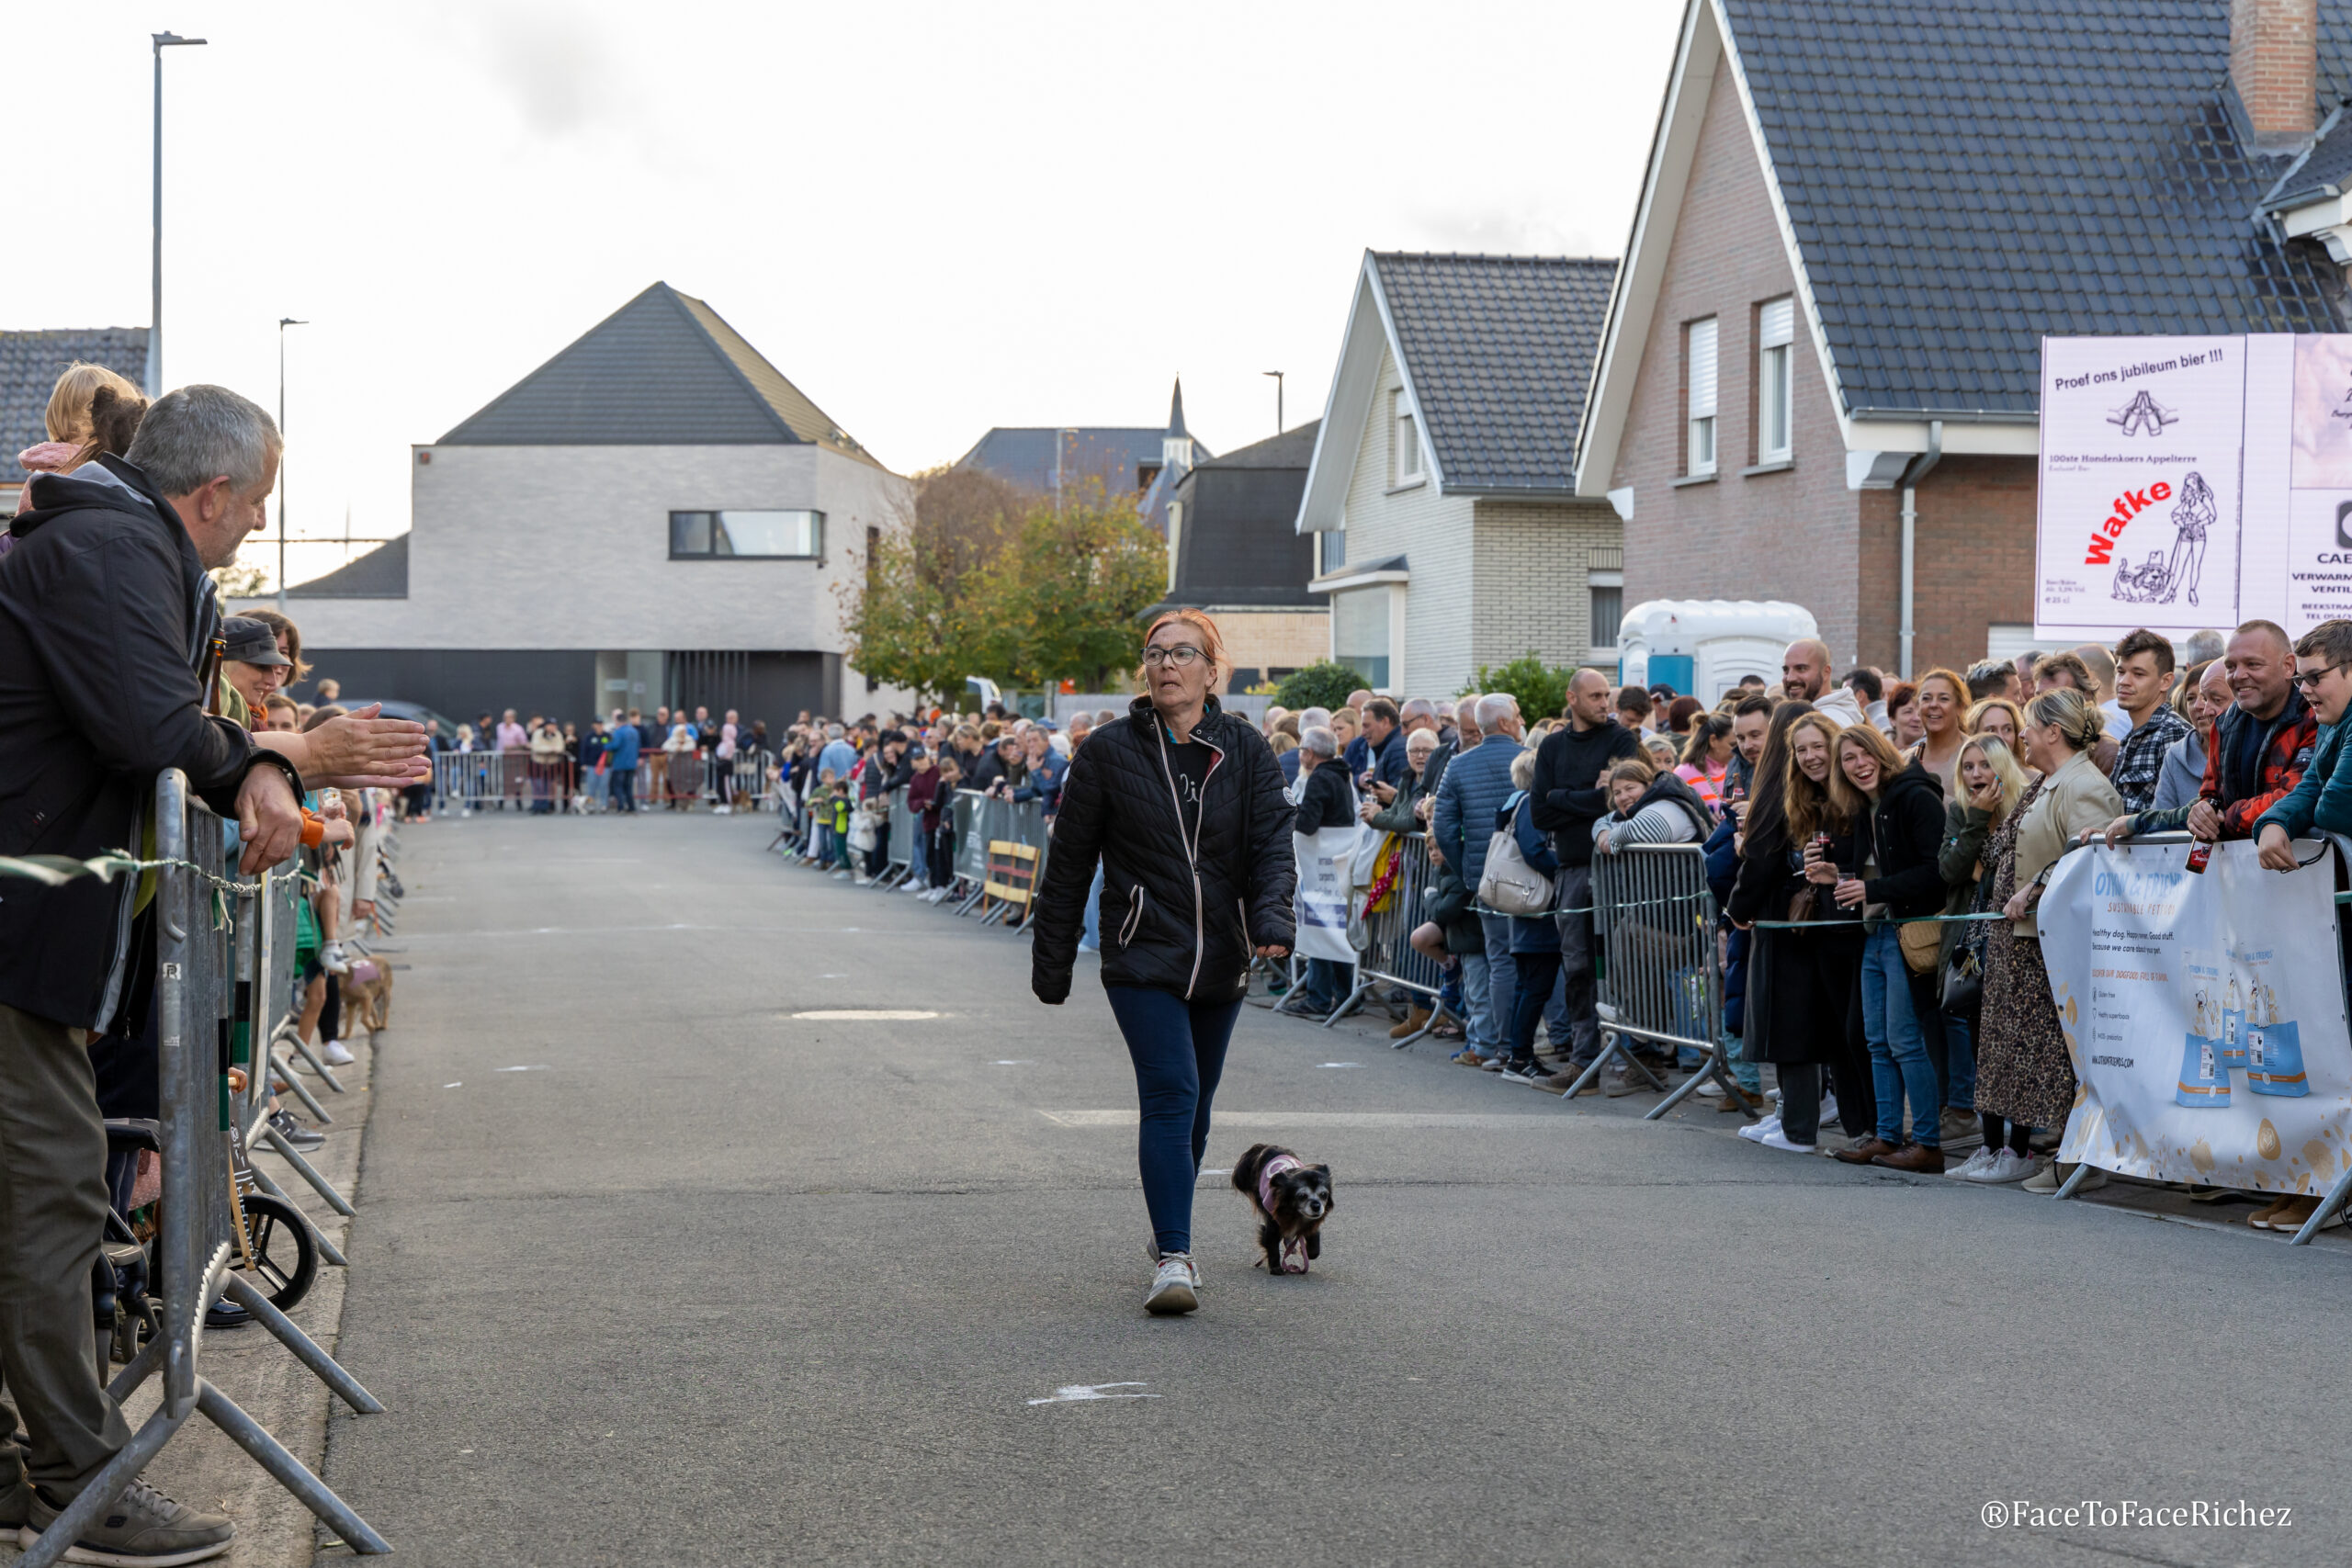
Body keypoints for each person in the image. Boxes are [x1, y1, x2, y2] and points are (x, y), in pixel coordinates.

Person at [0, 383, 333, 1562]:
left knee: (40, 1189)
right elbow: (150, 726)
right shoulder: (107, 548)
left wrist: (247, 760)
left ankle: (22, 1461)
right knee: (46, 1195)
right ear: (210, 495)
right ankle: (77, 1478)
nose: (253, 534)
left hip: (28, 916)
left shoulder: (99, 536)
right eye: (255, 510)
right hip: (16, 919)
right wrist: (270, 755)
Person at [1028, 609, 1294, 1316]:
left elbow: (1272, 844)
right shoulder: (1108, 751)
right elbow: (1070, 863)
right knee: (1172, 1091)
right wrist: (1052, 961)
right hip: (1142, 952)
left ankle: (1165, 1226)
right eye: (1154, 653)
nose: (1166, 663)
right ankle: (1175, 1257)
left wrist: (1270, 918)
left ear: (1213, 668)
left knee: (1197, 1108)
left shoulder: (1245, 748)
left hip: (1223, 954)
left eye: (1182, 652)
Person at [1979, 689, 2123, 1192]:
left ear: (2052, 733)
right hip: (2028, 939)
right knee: (2041, 1055)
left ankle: (2078, 1158)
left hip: (2057, 942)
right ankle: (2063, 1151)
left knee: (2064, 1055)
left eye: (2028, 727)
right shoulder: (2049, 781)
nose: (2021, 736)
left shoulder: (2084, 784)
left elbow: (2089, 860)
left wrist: (2035, 888)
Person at [1728, 705, 1865, 1152]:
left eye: (1818, 747)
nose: (1809, 756)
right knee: (1809, 1030)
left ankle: (1823, 1127)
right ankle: (1803, 1122)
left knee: (1823, 1031)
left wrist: (1739, 904)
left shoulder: (1850, 799)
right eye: (1800, 748)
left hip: (1832, 928)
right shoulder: (1797, 797)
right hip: (1806, 925)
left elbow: (1766, 858)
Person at [1820, 723, 1950, 1172]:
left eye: (1863, 754)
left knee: (1903, 1041)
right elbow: (1871, 876)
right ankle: (1889, 1136)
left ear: (1881, 752)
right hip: (1876, 932)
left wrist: (1870, 892)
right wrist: (1834, 878)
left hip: (1908, 931)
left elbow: (1937, 872)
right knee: (1876, 1040)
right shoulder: (1863, 808)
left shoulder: (1915, 796)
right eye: (1848, 760)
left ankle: (1928, 1144)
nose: (1858, 766)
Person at [1527, 671, 1643, 1088]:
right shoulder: (1553, 746)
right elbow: (1539, 811)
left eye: (1607, 695)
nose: (1604, 702)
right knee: (1577, 965)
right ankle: (1582, 1059)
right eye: (1595, 695)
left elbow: (1617, 800)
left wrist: (1563, 796)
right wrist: (1584, 798)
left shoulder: (1621, 740)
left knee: (1626, 963)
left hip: (1617, 869)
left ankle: (1637, 1057)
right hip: (1573, 867)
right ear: (1571, 698)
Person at [2108, 620, 2313, 846]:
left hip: (2300, 872)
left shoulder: (2314, 717)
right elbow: (2211, 797)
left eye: (2253, 664)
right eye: (2231, 666)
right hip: (2239, 873)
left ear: (2288, 665)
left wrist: (2225, 818)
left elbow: (2298, 798)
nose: (2238, 675)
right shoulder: (2224, 725)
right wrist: (2202, 813)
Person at [1939, 736, 2033, 1179]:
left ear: (2003, 767)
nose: (1976, 774)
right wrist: (1976, 820)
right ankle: (1990, 1145)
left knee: (2017, 1045)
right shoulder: (1961, 811)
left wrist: (1982, 862)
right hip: (1977, 943)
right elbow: (1952, 869)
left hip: (2019, 939)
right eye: (1968, 767)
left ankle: (2019, 1150)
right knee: (1982, 1044)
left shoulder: (2025, 805)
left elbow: (2006, 870)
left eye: (1984, 765)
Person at [1434, 694, 1528, 1068]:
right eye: (1518, 715)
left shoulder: (1457, 765)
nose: (1521, 720)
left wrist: (1469, 871)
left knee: (1500, 961)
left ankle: (1501, 1045)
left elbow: (1442, 827)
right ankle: (1553, 1039)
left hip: (1486, 882)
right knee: (1540, 960)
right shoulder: (1530, 758)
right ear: (1505, 723)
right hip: (1533, 877)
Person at [1279, 727, 1358, 1018]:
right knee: (1334, 932)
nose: (1300, 754)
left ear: (1310, 753)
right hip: (1335, 867)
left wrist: (1287, 809)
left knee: (1321, 931)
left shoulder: (1320, 778)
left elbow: (1309, 824)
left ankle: (1319, 998)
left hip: (1321, 869)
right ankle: (1347, 995)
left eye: (1302, 749)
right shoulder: (1341, 774)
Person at [2105, 627, 2191, 815]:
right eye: (2120, 671)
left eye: (2138, 674)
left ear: (2166, 681)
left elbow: (2181, 815)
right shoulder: (2132, 736)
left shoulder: (2173, 732)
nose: (2124, 681)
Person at [1903, 668, 1969, 794]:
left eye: (1943, 699)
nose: (1933, 705)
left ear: (1960, 707)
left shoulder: (1977, 755)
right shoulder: (1906, 760)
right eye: (1926, 698)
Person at [1782, 638, 1867, 728]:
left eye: (1801, 669)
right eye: (1786, 670)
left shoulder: (1829, 723)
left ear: (1826, 672)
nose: (1790, 678)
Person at [1673, 713, 1736, 817]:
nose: (1739, 750)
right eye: (1733, 745)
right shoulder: (1683, 774)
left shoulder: (1731, 768)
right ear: (1713, 740)